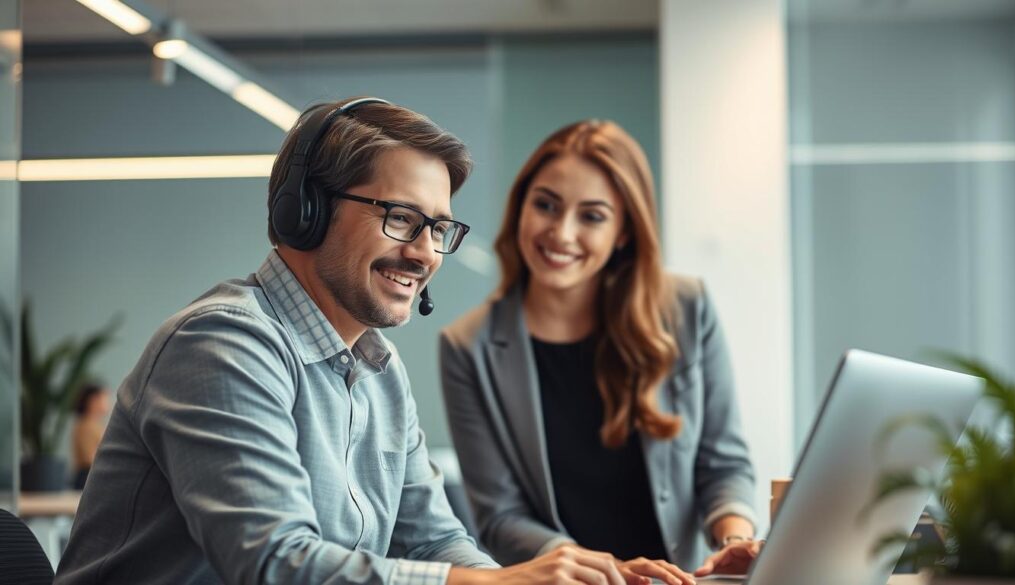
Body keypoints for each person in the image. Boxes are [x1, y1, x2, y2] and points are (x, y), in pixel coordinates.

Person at [56, 98, 664, 585]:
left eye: (439, 229)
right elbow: (275, 563)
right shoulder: (224, 343)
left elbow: (432, 539)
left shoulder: (379, 369)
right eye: (401, 218)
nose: (425, 252)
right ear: (308, 211)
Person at [439, 120, 761, 581]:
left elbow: (722, 463)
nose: (562, 233)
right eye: (546, 205)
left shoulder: (687, 309)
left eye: (591, 216)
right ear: (521, 208)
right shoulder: (467, 346)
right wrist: (597, 568)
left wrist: (733, 538)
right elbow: (500, 516)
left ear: (625, 231)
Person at [70, 383, 111, 490]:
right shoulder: (85, 425)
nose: (108, 402)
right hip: (88, 477)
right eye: (104, 398)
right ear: (93, 401)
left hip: (94, 474)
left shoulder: (95, 424)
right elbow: (89, 457)